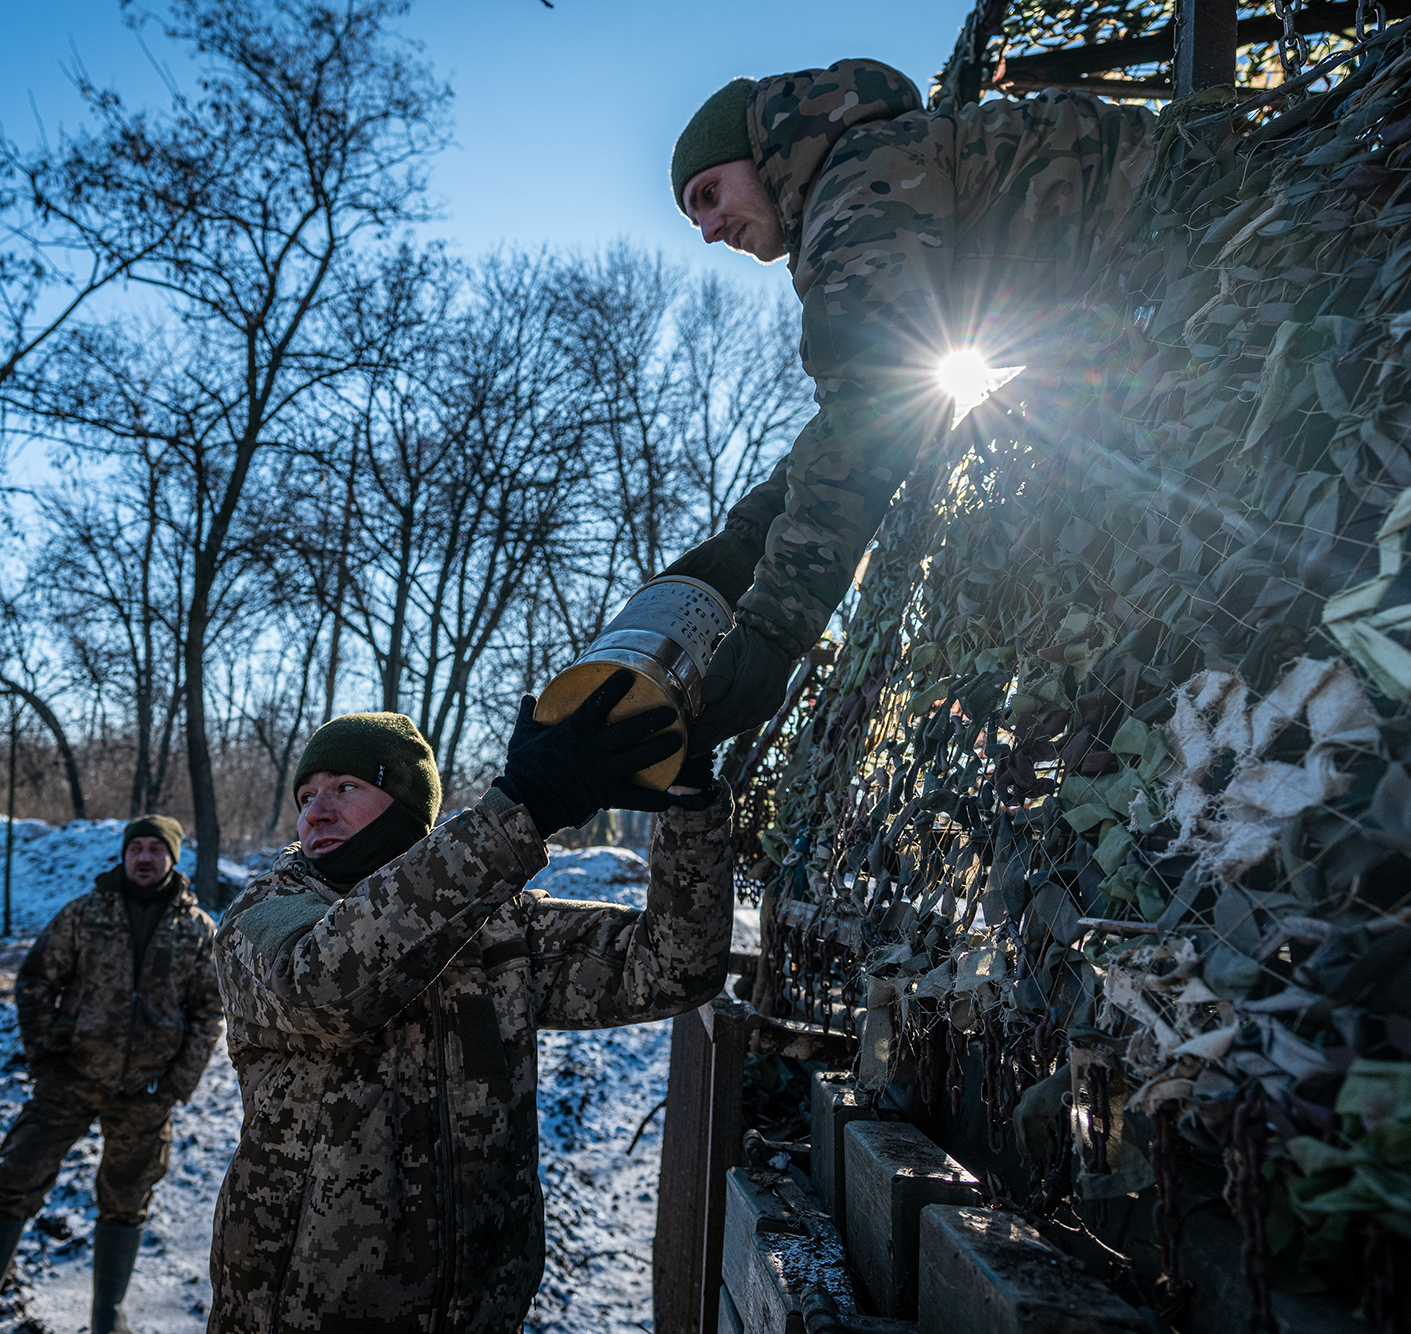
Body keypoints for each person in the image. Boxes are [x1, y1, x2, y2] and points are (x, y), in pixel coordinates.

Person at [208, 674, 734, 1332]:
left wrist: (689, 802)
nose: (314, 811)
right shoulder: (262, 916)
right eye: (306, 795)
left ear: (406, 807)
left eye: (345, 788)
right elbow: (324, 989)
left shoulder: (500, 932)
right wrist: (523, 808)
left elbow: (672, 968)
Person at [664, 60, 1157, 751]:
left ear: (759, 151)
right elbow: (855, 415)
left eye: (710, 195)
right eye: (697, 222)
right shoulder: (858, 175)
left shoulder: (857, 184)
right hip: (1156, 270)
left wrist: (774, 630)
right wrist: (748, 539)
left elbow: (873, 414)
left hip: (1191, 224)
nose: (712, 230)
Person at [0, 815, 224, 1334]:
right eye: (135, 847)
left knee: (127, 1200)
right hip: (71, 1078)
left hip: (145, 1092)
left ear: (172, 859)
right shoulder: (86, 913)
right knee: (14, 1180)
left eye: (155, 849)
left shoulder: (198, 929)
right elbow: (36, 979)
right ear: (123, 854)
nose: (144, 857)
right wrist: (45, 1059)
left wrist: (177, 1083)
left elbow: (209, 1011)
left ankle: (107, 1316)